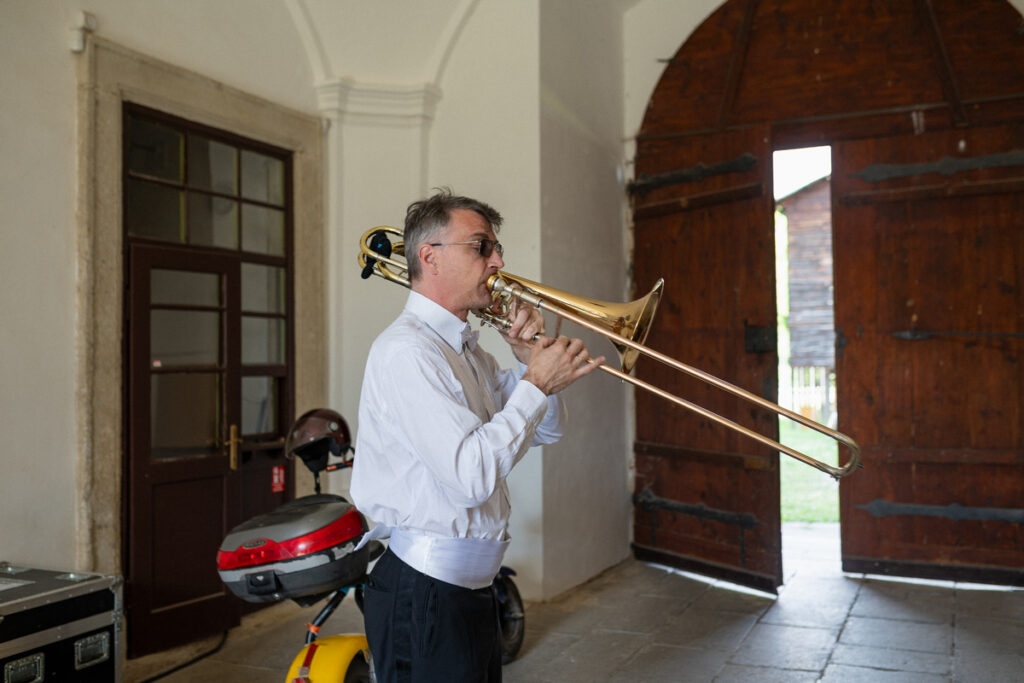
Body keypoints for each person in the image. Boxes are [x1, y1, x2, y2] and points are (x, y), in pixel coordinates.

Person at [351, 188, 604, 681]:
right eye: (481, 246)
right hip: (425, 592)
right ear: (430, 257)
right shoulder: (408, 352)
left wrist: (529, 362)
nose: (499, 261)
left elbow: (548, 430)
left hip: (469, 589)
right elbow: (471, 478)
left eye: (496, 248)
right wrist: (535, 384)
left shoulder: (468, 351)